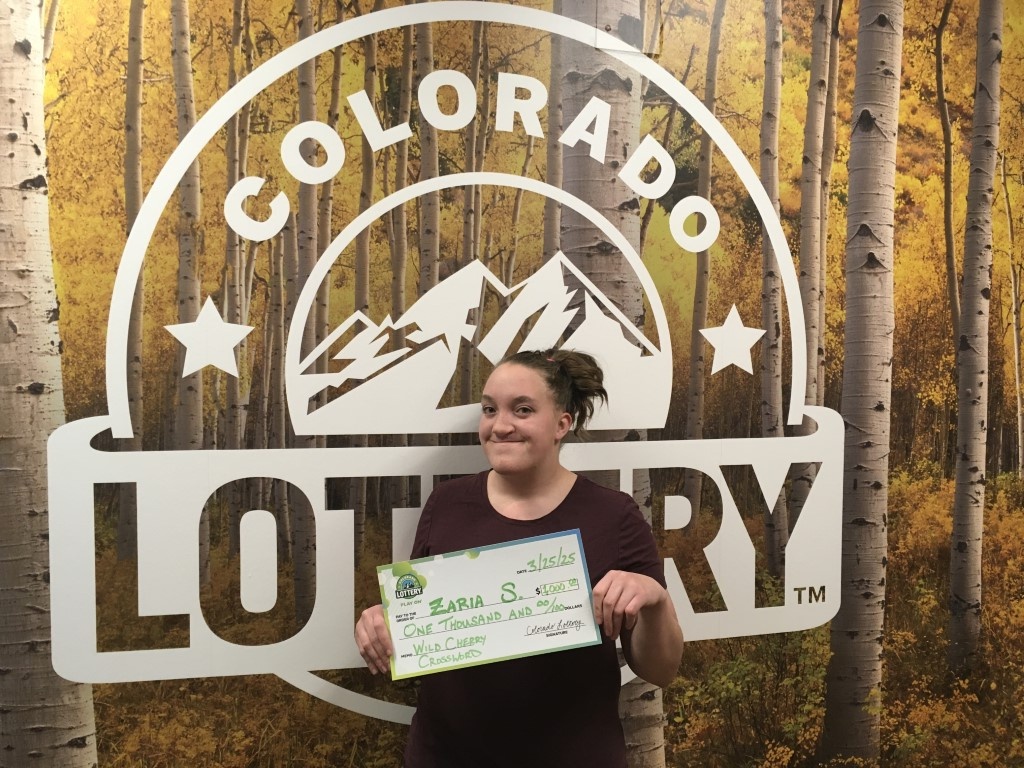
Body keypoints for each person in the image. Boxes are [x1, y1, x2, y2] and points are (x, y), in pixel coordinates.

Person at [355, 348, 683, 768]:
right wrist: (383, 622)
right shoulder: (446, 503)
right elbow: (423, 622)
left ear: (562, 423)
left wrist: (653, 598)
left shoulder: (613, 515)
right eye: (489, 409)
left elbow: (663, 669)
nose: (500, 425)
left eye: (522, 410)